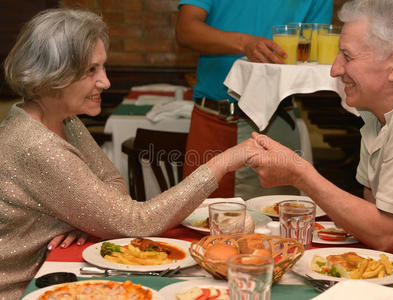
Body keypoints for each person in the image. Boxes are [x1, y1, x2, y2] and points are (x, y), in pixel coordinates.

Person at [0, 8, 254, 299]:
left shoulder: (63, 120)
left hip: (49, 272)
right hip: (20, 289)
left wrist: (87, 215)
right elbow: (136, 221)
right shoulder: (38, 146)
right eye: (90, 71)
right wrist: (221, 163)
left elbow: (113, 181)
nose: (105, 82)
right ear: (53, 75)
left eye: (103, 67)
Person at [247, 0, 393, 297]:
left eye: (346, 56)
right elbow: (374, 208)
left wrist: (300, 173)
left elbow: (385, 233)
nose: (334, 70)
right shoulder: (375, 110)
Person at [176, 0, 333, 199]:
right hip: (215, 120)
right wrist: (245, 43)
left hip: (276, 124)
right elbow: (185, 29)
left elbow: (315, 49)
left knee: (275, 219)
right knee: (199, 219)